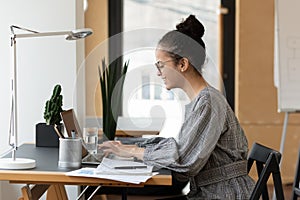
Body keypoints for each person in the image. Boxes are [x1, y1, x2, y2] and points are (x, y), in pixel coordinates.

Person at [99, 15, 255, 199]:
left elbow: (185, 162)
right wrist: (131, 146)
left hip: (223, 194)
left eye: (161, 65)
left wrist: (132, 151)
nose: (158, 72)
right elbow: (180, 148)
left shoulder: (208, 102)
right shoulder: (201, 100)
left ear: (183, 64)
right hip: (211, 190)